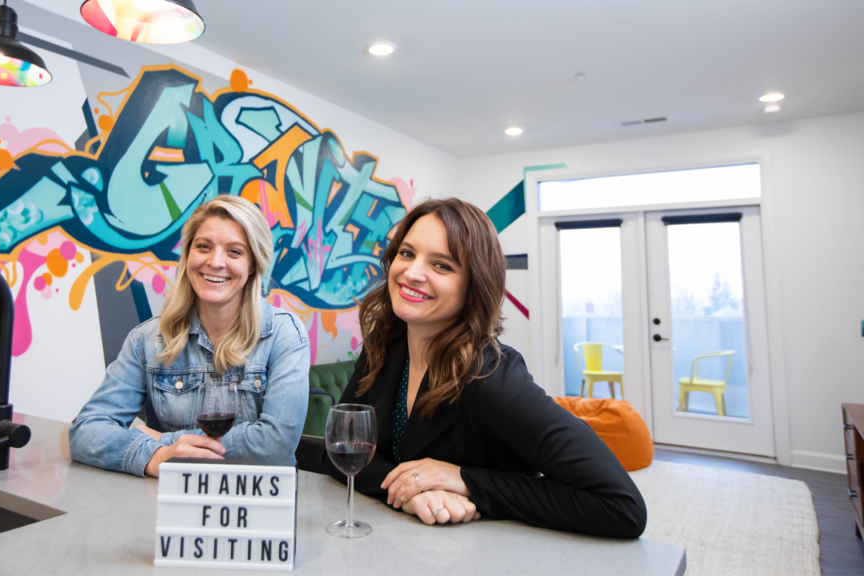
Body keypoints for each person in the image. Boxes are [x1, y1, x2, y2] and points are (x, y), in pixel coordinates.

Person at [301, 198, 646, 538]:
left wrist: (465, 480)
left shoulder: (493, 376)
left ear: (474, 285)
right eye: (407, 254)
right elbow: (344, 453)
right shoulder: (385, 346)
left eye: (442, 265)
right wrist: (412, 493)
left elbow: (621, 506)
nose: (412, 272)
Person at [69, 195, 310, 478]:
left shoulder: (284, 334)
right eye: (203, 247)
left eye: (234, 252)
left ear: (254, 265)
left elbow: (275, 444)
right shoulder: (146, 339)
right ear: (188, 256)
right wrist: (154, 456)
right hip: (177, 504)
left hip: (259, 504)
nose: (215, 262)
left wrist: (164, 442)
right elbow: (85, 431)